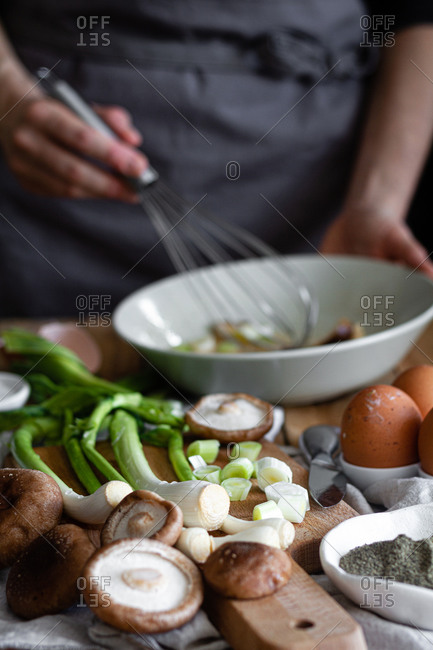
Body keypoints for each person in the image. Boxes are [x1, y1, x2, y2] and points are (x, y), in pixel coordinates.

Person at [0, 1, 433, 318]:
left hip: (309, 210)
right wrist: (9, 93)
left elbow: (417, 13)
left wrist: (374, 203)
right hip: (65, 213)